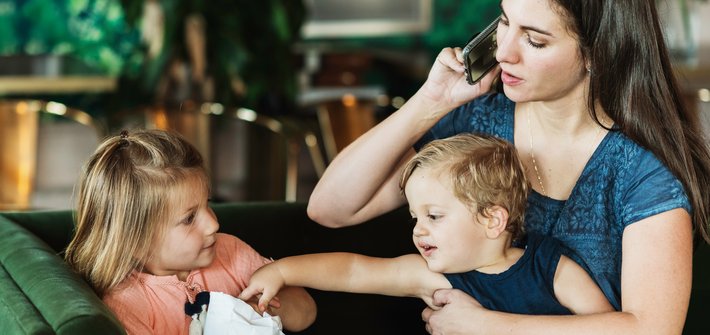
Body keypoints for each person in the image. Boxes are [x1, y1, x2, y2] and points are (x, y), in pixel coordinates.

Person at [307, 0, 710, 334]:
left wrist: (487, 324)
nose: (503, 52)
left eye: (534, 40)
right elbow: (331, 208)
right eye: (503, 21)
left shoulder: (643, 171)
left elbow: (653, 329)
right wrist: (430, 102)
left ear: (596, 55)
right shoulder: (476, 123)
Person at [239, 133, 613, 316]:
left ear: (493, 219)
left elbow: (602, 327)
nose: (418, 230)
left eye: (434, 216)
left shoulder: (551, 269)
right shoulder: (436, 277)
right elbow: (355, 271)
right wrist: (283, 271)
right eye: (416, 217)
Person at [64, 129, 316, 334]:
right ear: (135, 241)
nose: (213, 225)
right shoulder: (127, 304)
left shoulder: (229, 251)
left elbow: (306, 312)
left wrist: (254, 310)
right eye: (189, 218)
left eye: (208, 204)